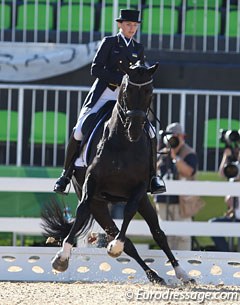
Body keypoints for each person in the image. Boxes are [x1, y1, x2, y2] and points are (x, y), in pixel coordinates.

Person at [53, 9, 165, 195]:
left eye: (135, 25)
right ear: (120, 25)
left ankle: (153, 177)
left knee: (151, 132)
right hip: (105, 93)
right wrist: (120, 80)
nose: (132, 28)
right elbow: (96, 69)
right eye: (128, 25)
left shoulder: (138, 48)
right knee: (80, 129)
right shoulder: (110, 43)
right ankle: (65, 175)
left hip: (127, 98)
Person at [154, 122, 198, 250]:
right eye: (170, 136)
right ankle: (168, 263)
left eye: (176, 136)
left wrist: (175, 158)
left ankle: (184, 264)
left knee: (182, 236)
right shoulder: (161, 153)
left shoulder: (189, 152)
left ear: (182, 137)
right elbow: (152, 171)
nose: (173, 139)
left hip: (182, 202)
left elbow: (189, 171)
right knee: (166, 234)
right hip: (162, 200)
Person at [209, 146, 240, 251]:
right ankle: (227, 254)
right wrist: (225, 156)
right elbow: (222, 173)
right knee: (212, 225)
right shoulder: (235, 168)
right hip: (234, 216)